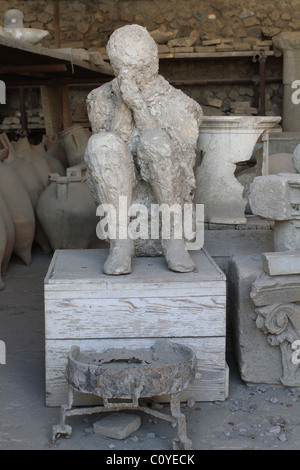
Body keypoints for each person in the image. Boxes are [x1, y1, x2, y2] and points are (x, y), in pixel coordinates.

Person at [85, 24, 203, 275]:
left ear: (153, 65)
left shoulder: (181, 104)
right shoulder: (99, 99)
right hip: (125, 188)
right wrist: (122, 105)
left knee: (156, 141)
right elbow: (109, 157)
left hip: (164, 189)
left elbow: (182, 165)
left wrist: (138, 105)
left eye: (137, 70)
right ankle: (121, 242)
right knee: (101, 143)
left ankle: (172, 239)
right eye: (122, 70)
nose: (130, 76)